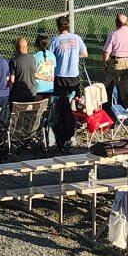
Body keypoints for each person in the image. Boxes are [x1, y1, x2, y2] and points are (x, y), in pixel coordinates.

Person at [49, 16, 88, 153]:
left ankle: (59, 133)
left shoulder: (55, 40)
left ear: (58, 27)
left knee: (59, 106)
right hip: (74, 77)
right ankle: (72, 133)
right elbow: (85, 53)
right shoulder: (76, 38)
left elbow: (50, 58)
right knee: (72, 105)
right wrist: (74, 56)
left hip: (60, 77)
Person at [102, 12, 128, 115]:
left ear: (116, 23)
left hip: (118, 63)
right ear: (127, 23)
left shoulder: (113, 35)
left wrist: (106, 63)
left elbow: (106, 53)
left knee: (112, 86)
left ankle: (114, 109)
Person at [8, 37, 39, 103]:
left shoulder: (14, 61)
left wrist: (8, 92)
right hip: (31, 94)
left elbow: (12, 80)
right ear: (27, 47)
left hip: (17, 95)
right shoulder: (33, 59)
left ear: (16, 48)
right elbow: (34, 73)